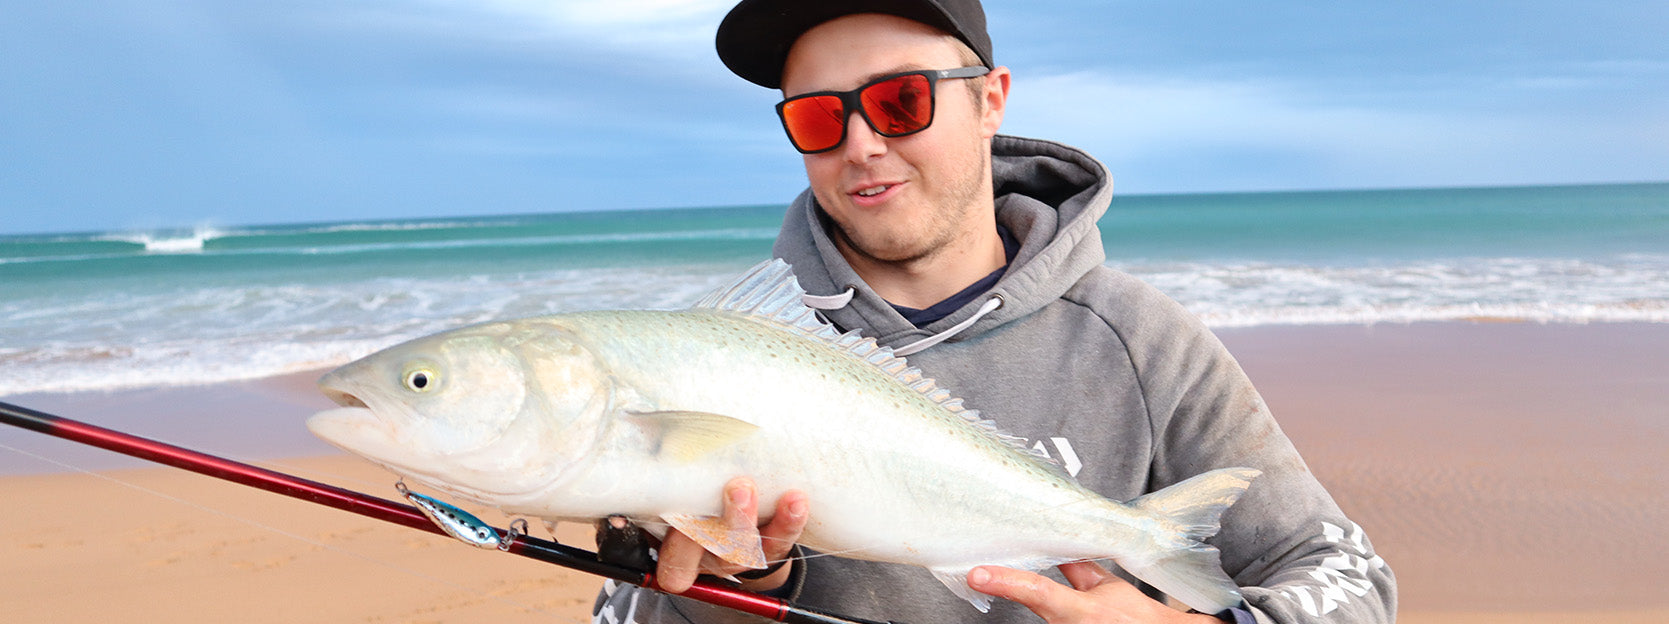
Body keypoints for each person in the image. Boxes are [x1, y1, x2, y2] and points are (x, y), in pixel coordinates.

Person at [593, 1, 1397, 622]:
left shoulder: (1139, 340)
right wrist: (730, 587)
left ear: (989, 101)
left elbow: (1349, 575)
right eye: (817, 117)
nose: (862, 145)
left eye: (901, 101)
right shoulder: (708, 360)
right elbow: (621, 612)